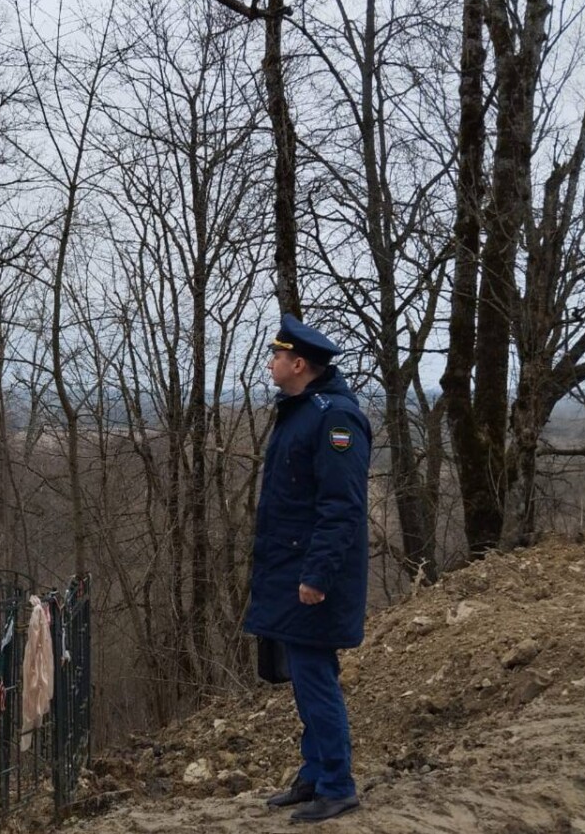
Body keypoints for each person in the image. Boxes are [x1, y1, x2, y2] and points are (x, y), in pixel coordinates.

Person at [244, 313, 371, 824]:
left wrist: (316, 576)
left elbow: (342, 507)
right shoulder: (300, 411)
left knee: (315, 676)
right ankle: (315, 773)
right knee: (305, 673)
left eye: (277, 356)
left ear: (299, 364)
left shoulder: (333, 418)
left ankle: (337, 785)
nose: (271, 363)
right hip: (289, 571)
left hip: (314, 577)